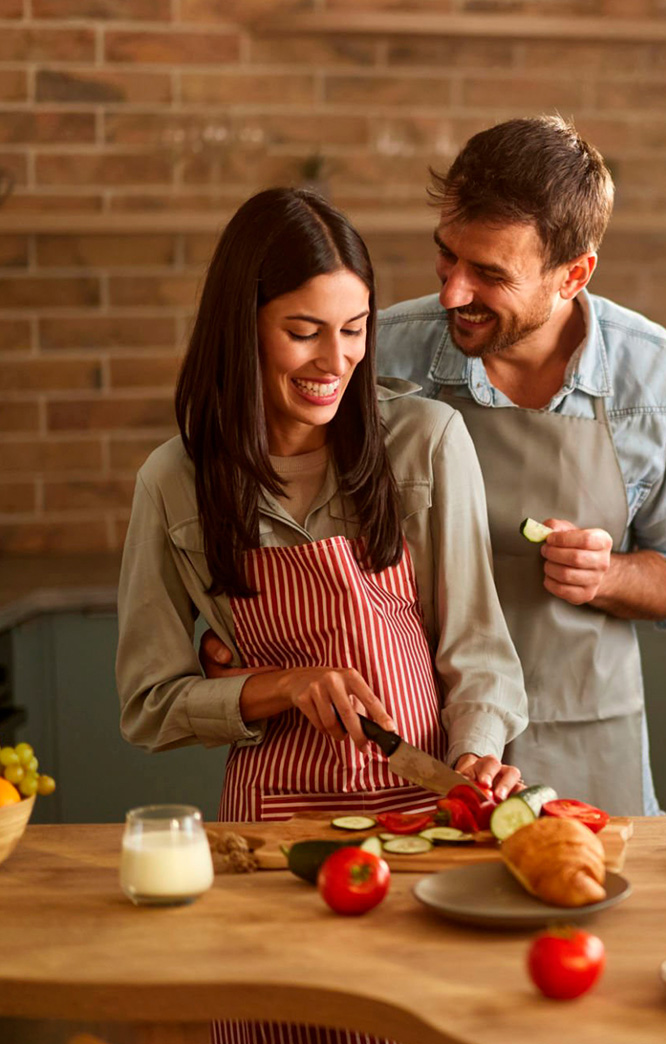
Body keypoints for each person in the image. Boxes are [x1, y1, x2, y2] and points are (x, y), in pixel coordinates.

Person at [201, 116, 666, 816]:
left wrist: (611, 575)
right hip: (405, 746)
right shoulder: (375, 354)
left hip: (586, 741)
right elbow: (258, 510)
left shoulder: (664, 385)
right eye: (447, 257)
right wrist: (228, 638)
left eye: (489, 275)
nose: (452, 292)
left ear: (574, 274)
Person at [116, 190, 527, 839]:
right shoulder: (173, 483)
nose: (335, 362)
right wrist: (281, 686)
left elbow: (477, 650)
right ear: (241, 325)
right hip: (271, 823)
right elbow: (149, 706)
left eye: (355, 328)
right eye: (303, 332)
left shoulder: (427, 442)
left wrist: (476, 752)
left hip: (426, 808)